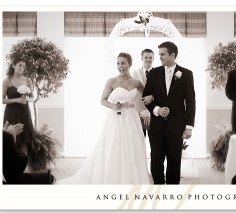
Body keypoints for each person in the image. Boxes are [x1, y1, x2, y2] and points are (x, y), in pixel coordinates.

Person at [57, 52, 150, 184]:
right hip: (116, 120)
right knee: (114, 147)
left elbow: (148, 97)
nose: (120, 66)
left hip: (132, 119)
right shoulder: (112, 81)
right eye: (118, 63)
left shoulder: (136, 83)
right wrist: (115, 106)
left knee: (133, 147)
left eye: (123, 63)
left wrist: (146, 111)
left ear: (129, 64)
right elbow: (102, 100)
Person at [142, 41, 196, 184]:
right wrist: (157, 110)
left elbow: (190, 102)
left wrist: (189, 127)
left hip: (176, 126)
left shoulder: (186, 74)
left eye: (162, 54)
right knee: (155, 163)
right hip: (157, 127)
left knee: (174, 163)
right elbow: (145, 97)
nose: (159, 57)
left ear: (172, 55)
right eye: (159, 54)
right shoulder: (153, 73)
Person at [3, 58, 34, 156]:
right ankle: (12, 167)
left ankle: (23, 167)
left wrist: (26, 100)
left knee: (24, 140)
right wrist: (17, 100)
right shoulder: (7, 81)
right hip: (11, 113)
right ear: (13, 65)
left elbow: (32, 98)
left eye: (24, 66)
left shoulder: (28, 80)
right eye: (20, 65)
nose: (22, 68)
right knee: (12, 139)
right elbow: (2, 100)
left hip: (24, 113)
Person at [131, 48, 154, 137]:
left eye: (150, 57)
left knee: (155, 143)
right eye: (146, 57)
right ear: (142, 58)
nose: (148, 60)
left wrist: (150, 111)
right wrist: (141, 111)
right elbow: (132, 95)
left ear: (153, 59)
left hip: (154, 114)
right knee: (139, 143)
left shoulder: (159, 74)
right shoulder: (134, 74)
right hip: (138, 114)